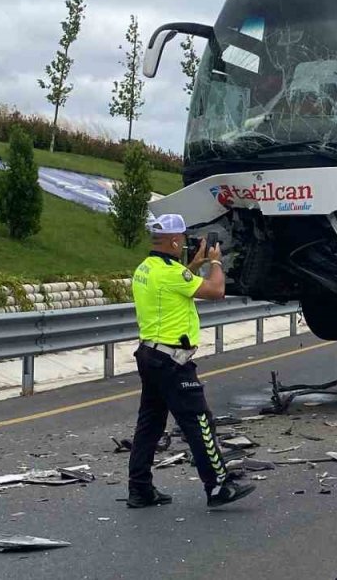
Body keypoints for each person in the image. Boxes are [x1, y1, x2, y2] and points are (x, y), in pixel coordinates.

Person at [126, 213, 254, 509]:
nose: (185, 242)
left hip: (149, 355)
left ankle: (140, 489)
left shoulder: (147, 268)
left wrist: (194, 265)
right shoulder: (171, 274)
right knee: (199, 422)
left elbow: (178, 283)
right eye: (182, 238)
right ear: (173, 240)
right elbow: (216, 291)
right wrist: (216, 262)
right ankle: (218, 486)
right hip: (172, 361)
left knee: (150, 424)